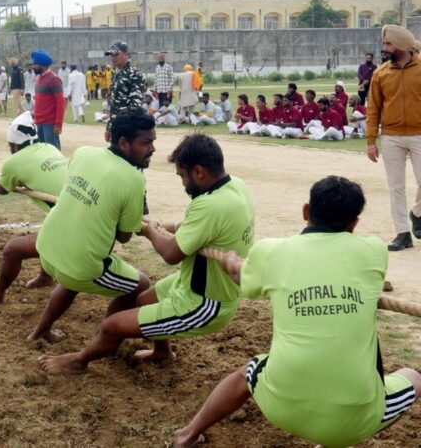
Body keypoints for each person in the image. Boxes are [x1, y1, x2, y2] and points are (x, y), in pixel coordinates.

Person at [171, 176, 420, 448]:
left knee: (248, 371)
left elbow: (243, 280)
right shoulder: (374, 251)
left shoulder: (271, 252)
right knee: (413, 377)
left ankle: (187, 435)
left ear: (305, 211)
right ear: (354, 223)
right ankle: (334, 439)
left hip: (281, 407)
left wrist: (232, 263)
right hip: (353, 422)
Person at [39, 133, 254, 373]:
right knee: (142, 301)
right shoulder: (234, 186)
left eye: (182, 176)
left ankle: (79, 361)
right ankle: (162, 351)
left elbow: (171, 255)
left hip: (206, 303)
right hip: (191, 282)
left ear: (199, 172)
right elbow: (199, 228)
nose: (183, 184)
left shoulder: (209, 205)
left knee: (112, 326)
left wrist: (152, 233)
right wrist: (161, 226)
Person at [28, 109, 155, 343]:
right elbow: (125, 236)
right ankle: (101, 339)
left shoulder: (84, 152)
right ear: (124, 143)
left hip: (46, 248)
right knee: (141, 285)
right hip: (79, 264)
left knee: (73, 273)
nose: (152, 149)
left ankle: (40, 331)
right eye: (146, 142)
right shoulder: (134, 179)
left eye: (153, 141)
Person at [0, 112, 68, 307]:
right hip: (75, 211)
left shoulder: (14, 162)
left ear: (13, 145)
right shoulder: (50, 148)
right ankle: (45, 276)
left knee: (12, 250)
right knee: (50, 223)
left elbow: (1, 189)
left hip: (72, 224)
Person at [367, 24, 421, 251]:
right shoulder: (380, 73)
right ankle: (402, 233)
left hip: (420, 134)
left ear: (402, 45)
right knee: (396, 187)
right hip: (391, 137)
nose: (384, 47)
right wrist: (371, 141)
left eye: (388, 43)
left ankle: (417, 213)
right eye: (384, 43)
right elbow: (373, 108)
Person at [106, 42, 146, 125]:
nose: (113, 58)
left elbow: (136, 105)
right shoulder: (116, 75)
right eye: (111, 55)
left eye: (116, 54)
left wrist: (125, 129)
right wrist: (110, 126)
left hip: (128, 126)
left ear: (127, 54)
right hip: (116, 125)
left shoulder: (134, 74)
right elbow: (113, 105)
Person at [31, 49, 64, 150]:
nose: (33, 67)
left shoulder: (54, 79)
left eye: (35, 64)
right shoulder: (38, 79)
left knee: (52, 152)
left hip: (49, 124)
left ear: (42, 64)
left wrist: (58, 124)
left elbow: (60, 103)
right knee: (42, 152)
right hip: (38, 122)